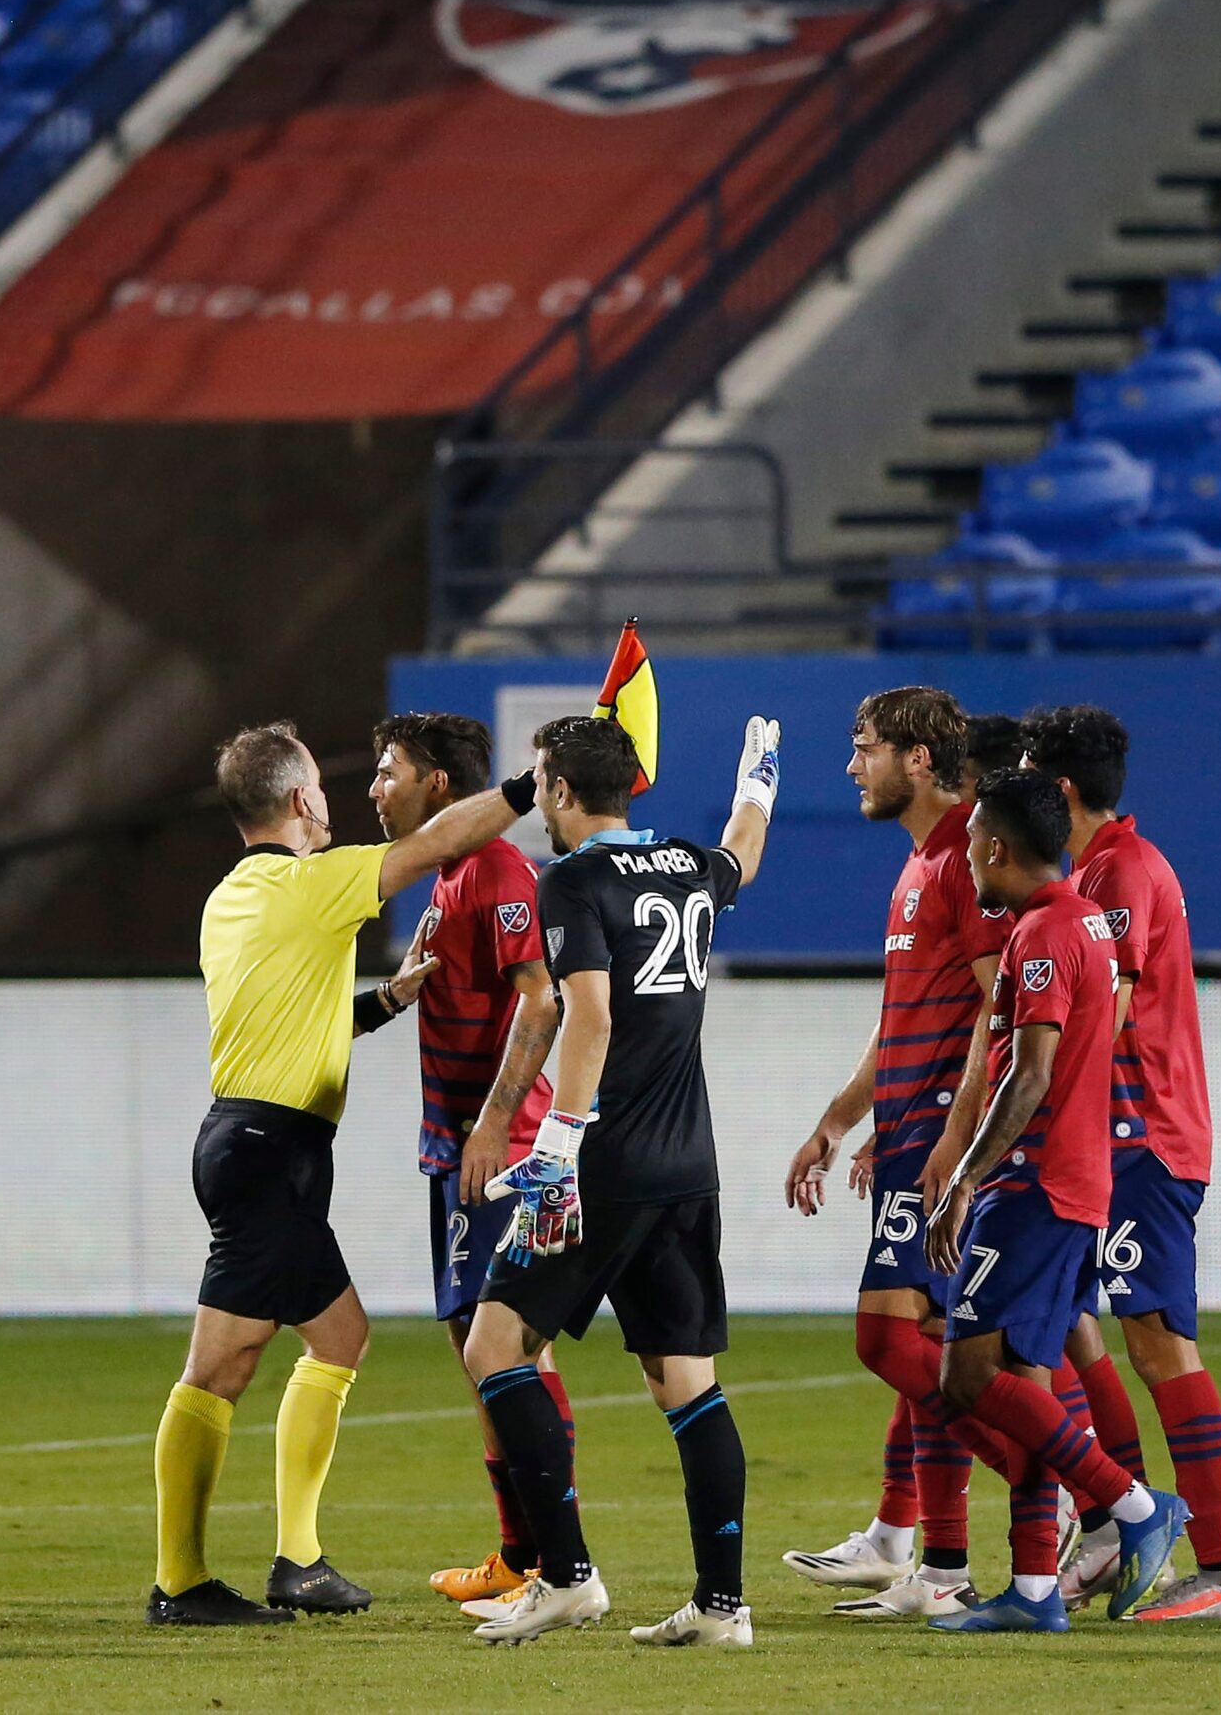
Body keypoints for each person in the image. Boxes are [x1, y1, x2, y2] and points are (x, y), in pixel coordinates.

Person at [149, 721, 535, 1628]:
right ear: (299, 802)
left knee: (292, 1348)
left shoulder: (229, 900)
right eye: (323, 785)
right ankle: (223, 1575)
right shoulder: (314, 882)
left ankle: (259, 1567)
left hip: (242, 1142)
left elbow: (285, 1017)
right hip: (271, 1154)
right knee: (256, 1361)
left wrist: (386, 1002)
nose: (336, 799)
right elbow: (435, 842)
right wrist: (529, 784)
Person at [459, 711, 781, 1650]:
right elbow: (742, 856)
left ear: (560, 792)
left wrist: (558, 1141)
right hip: (689, 1165)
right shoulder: (685, 864)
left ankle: (565, 1577)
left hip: (603, 1167)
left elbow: (586, 1015)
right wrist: (756, 784)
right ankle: (724, 1607)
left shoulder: (569, 881)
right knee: (686, 1379)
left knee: (493, 1349)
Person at [920, 766, 1189, 1633]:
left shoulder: (1041, 934)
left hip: (1033, 1186)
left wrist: (964, 1177)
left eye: (969, 844)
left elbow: (1028, 1076)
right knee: (1027, 1381)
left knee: (965, 1376)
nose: (964, 859)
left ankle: (1131, 1505)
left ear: (998, 846)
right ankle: (1035, 1591)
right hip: (1077, 1182)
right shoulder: (1080, 921)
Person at [780, 690, 1010, 1618]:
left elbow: (998, 1010)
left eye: (863, 747)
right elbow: (907, 1023)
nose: (851, 766)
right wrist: (842, 1121)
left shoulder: (963, 856)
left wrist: (951, 1137)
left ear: (919, 759)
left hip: (941, 1148)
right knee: (924, 1345)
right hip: (911, 1136)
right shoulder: (920, 862)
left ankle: (1082, 1490)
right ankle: (931, 1563)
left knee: (889, 1340)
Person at [1021, 706, 1221, 1620]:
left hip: (1140, 1139)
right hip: (1107, 1143)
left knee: (1157, 1343)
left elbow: (1100, 1014)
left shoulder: (1121, 872)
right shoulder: (1108, 864)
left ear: (1064, 790)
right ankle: (1118, 1522)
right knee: (1070, 1324)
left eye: (1037, 775)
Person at [364, 714, 567, 1610]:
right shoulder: (446, 874)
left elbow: (542, 1000)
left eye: (388, 771)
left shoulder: (497, 869)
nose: (376, 787)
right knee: (481, 1351)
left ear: (439, 784)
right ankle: (523, 1557)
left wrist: (491, 1130)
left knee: (512, 1353)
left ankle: (553, 1562)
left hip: (503, 1148)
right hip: (454, 1151)